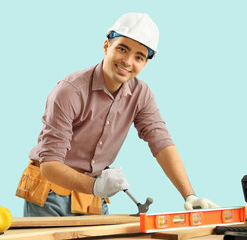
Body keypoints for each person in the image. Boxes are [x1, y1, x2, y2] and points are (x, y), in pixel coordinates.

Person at [16, 12, 219, 217]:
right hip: (50, 191)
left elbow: (161, 142)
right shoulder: (70, 91)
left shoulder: (141, 94)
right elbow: (49, 165)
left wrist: (189, 196)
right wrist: (96, 187)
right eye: (122, 49)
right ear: (107, 46)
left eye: (139, 57)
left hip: (92, 193)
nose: (128, 62)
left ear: (145, 63)